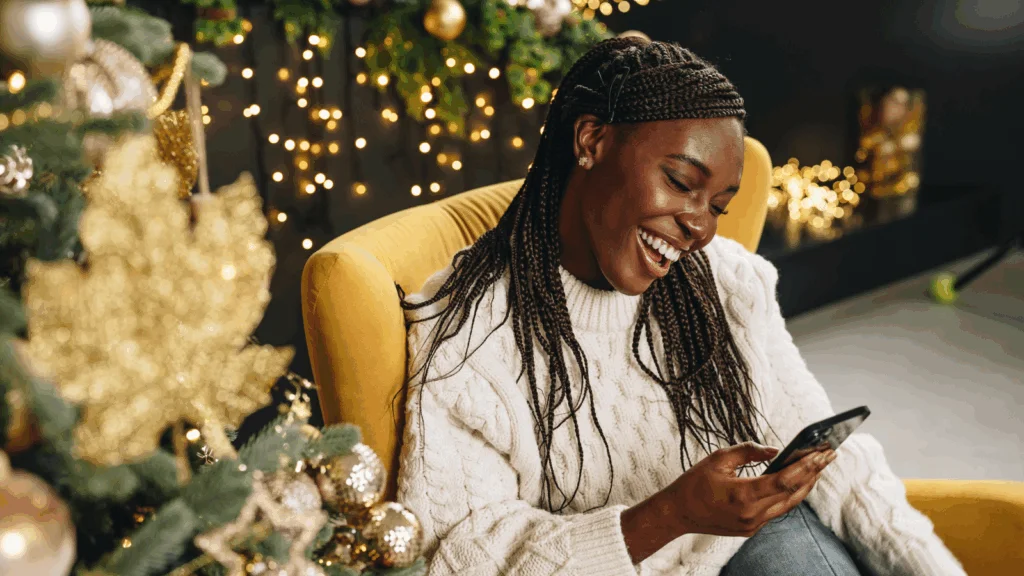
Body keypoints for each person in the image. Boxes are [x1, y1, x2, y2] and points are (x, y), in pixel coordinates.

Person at [396, 37, 964, 575]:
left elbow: (838, 469)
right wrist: (669, 517)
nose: (698, 226)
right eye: (679, 180)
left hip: (755, 550)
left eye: (718, 205)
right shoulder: (467, 332)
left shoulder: (726, 282)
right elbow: (459, 561)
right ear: (591, 140)